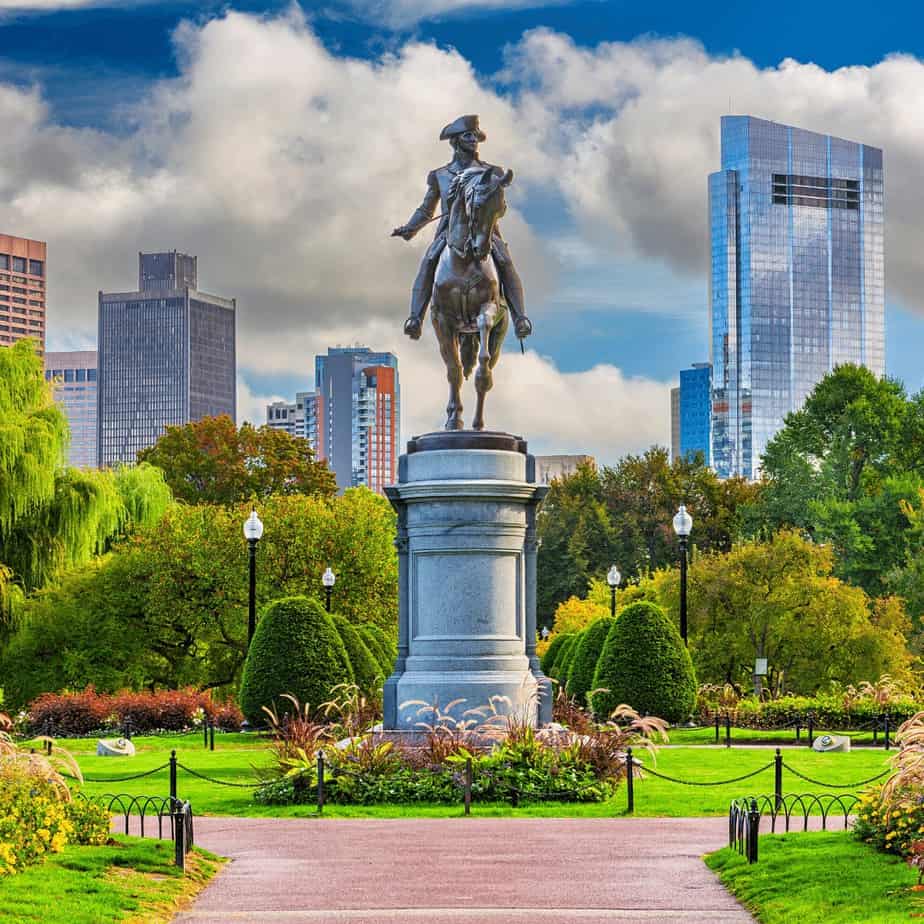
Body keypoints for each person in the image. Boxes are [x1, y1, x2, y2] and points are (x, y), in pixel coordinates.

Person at [392, 114, 532, 342]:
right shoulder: (440, 175)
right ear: (456, 141)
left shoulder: (492, 172)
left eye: (476, 136)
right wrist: (410, 228)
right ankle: (415, 318)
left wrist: (491, 210)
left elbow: (501, 207)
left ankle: (520, 319)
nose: (474, 140)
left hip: (485, 231)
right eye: (468, 136)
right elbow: (427, 209)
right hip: (450, 232)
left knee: (505, 262)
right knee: (428, 262)